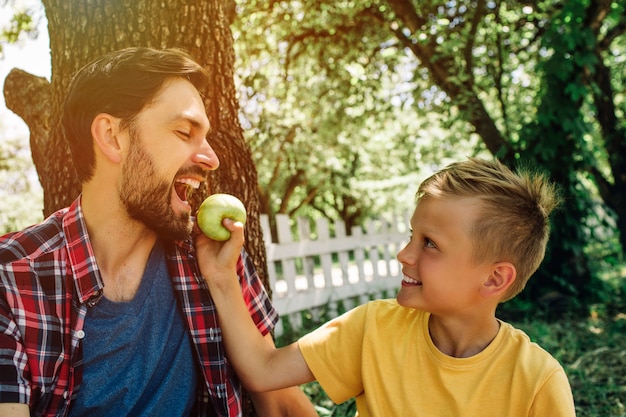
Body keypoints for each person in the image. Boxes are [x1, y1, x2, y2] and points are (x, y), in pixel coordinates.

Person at [0, 47, 317, 417]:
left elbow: (279, 402)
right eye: (185, 132)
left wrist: (223, 280)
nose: (211, 159)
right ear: (112, 136)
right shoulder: (12, 280)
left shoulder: (215, 257)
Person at [197, 158, 577, 416]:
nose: (404, 254)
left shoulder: (537, 380)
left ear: (495, 278)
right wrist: (222, 277)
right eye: (412, 235)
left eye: (430, 243)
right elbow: (263, 371)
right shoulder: (373, 328)